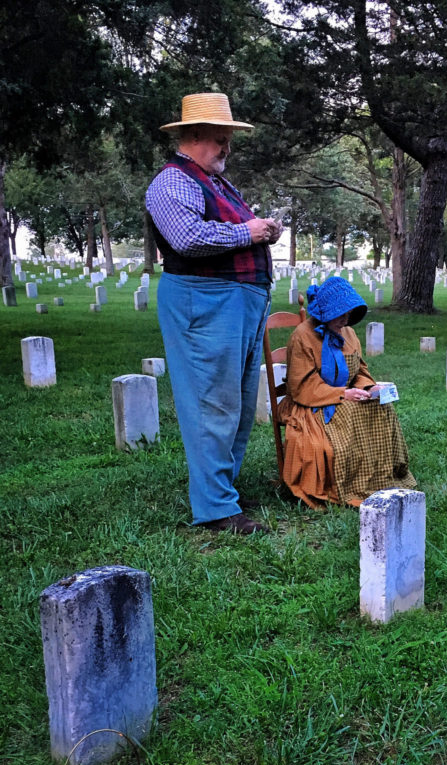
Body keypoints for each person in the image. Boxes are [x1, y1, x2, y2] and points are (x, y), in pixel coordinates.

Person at [145, 92, 281, 535]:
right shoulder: (172, 181)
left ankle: (224, 491)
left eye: (228, 140)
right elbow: (186, 238)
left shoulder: (217, 182)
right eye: (220, 139)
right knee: (211, 405)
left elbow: (226, 232)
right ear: (195, 135)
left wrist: (262, 233)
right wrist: (248, 230)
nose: (226, 148)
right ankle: (216, 508)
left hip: (236, 301)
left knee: (238, 405)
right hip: (204, 301)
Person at [278, 276, 416, 508]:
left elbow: (359, 370)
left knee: (382, 407)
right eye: (340, 313)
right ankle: (347, 483)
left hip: (347, 394)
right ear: (325, 312)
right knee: (349, 414)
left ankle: (380, 478)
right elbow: (302, 386)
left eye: (348, 313)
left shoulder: (348, 333)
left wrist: (369, 388)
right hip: (311, 402)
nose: (345, 319)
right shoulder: (302, 336)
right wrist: (342, 394)